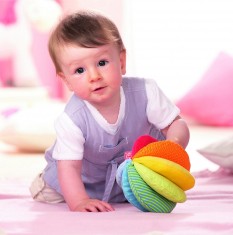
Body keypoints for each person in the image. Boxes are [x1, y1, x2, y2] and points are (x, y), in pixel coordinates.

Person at [30, 10, 190, 212]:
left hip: (128, 176)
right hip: (81, 180)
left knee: (148, 192)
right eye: (80, 70)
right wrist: (79, 201)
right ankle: (45, 183)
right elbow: (68, 167)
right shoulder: (72, 119)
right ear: (66, 81)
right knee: (48, 192)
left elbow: (176, 124)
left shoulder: (146, 93)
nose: (94, 76)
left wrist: (172, 145)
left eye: (102, 63)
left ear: (121, 62)